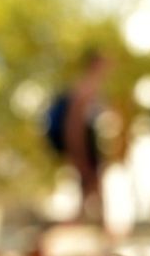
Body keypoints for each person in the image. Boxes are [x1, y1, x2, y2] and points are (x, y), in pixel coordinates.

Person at [45, 51, 111, 223]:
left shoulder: (92, 90)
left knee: (91, 191)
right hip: (84, 148)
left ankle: (96, 224)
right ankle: (94, 226)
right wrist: (79, 155)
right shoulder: (84, 89)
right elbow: (74, 126)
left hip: (88, 147)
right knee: (91, 188)